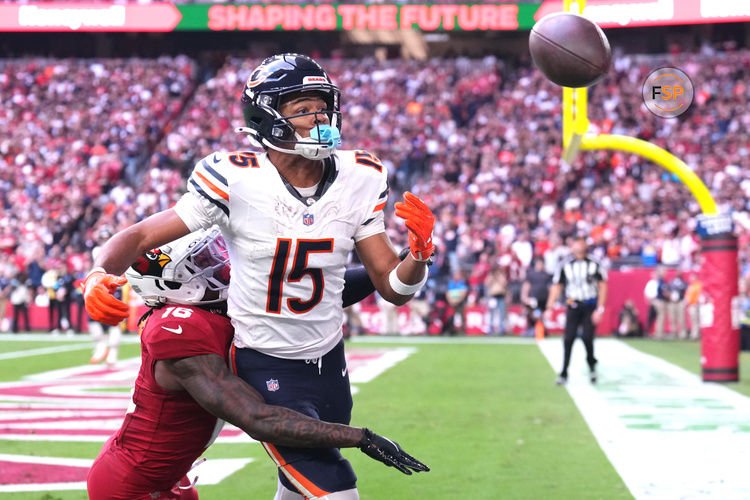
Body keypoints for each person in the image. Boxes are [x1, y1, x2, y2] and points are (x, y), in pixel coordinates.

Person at [83, 53, 435, 500]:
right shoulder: (235, 178)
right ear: (268, 118)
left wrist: (419, 255)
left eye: (321, 105)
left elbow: (385, 286)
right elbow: (140, 235)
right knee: (336, 491)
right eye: (301, 108)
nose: (318, 117)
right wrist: (98, 273)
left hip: (329, 358)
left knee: (295, 489)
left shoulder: (361, 174)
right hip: (267, 364)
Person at [88, 229, 428, 500]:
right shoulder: (178, 329)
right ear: (177, 283)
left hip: (170, 477)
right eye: (204, 260)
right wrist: (361, 438)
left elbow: (318, 295)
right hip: (128, 487)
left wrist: (393, 265)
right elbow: (257, 418)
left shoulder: (208, 306)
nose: (220, 263)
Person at [545, 236, 608, 385]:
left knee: (587, 337)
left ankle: (592, 365)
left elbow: (603, 286)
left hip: (589, 305)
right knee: (568, 339)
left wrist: (600, 309)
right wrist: (549, 306)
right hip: (573, 304)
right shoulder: (565, 264)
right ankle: (564, 372)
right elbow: (557, 286)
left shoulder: (595, 263)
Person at [521, 258, 551, 337]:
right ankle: (534, 329)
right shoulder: (531, 274)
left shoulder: (546, 275)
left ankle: (541, 330)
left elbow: (550, 288)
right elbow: (526, 285)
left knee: (541, 316)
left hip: (544, 299)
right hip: (534, 299)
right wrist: (524, 296)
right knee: (535, 315)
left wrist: (550, 301)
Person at [483, 263, 507, 335]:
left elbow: (504, 283)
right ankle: (490, 329)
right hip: (493, 297)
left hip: (501, 296)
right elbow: (486, 283)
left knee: (502, 314)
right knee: (491, 314)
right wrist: (492, 277)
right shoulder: (491, 276)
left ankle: (501, 330)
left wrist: (498, 276)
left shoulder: (502, 275)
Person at [685, 272, 702, 340]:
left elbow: (699, 295)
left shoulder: (698, 285)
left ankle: (695, 334)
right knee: (693, 320)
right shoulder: (691, 285)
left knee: (696, 320)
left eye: (692, 277)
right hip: (690, 305)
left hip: (695, 305)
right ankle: (694, 333)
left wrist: (696, 303)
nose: (691, 278)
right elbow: (688, 295)